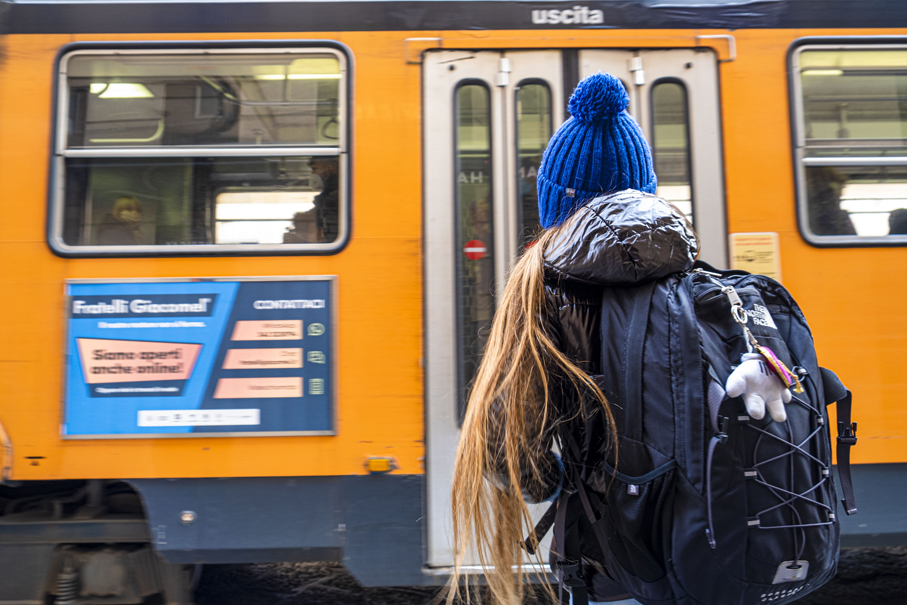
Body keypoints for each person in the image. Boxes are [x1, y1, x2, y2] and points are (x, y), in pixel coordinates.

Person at [309, 157, 339, 242]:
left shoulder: (334, 195)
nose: (312, 173)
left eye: (315, 169)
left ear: (329, 168)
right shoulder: (328, 192)